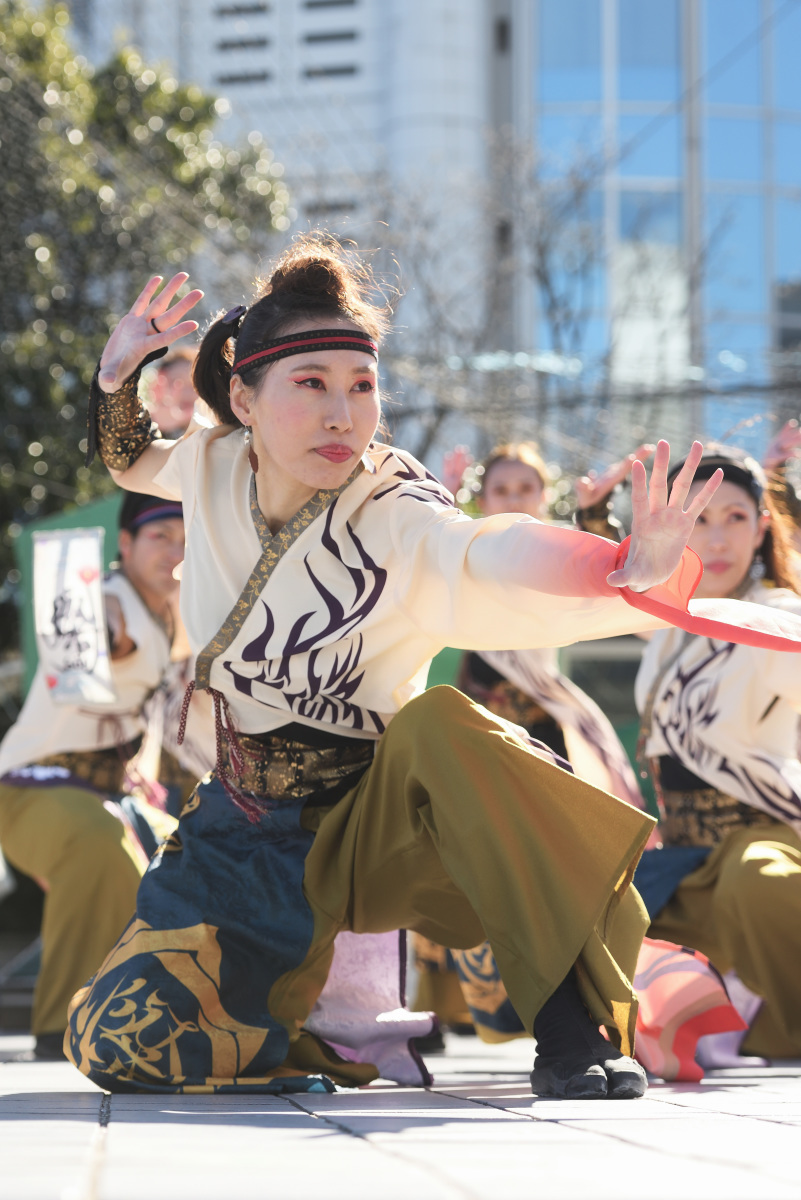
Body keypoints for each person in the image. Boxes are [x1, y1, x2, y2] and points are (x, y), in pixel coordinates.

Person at [64, 235, 796, 1100]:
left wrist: (619, 568)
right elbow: (131, 457)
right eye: (312, 385)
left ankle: (569, 1029)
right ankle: (294, 1025)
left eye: (362, 387)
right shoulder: (214, 461)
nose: (344, 415)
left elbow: (483, 553)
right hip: (240, 824)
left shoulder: (392, 498)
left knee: (442, 722)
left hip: (383, 824)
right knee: (118, 1046)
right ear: (243, 399)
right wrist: (115, 379)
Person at [415, 441, 652, 1038]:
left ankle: (572, 993)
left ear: (544, 497)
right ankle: (452, 1006)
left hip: (546, 733)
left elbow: (607, 571)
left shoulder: (553, 555)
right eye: (502, 490)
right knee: (457, 851)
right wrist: (440, 501)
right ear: (482, 498)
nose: (515, 499)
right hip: (480, 725)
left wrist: (596, 518)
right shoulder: (469, 549)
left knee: (558, 864)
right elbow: (427, 555)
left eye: (526, 489)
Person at [0, 492, 184, 1058]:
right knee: (100, 846)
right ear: (124, 545)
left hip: (112, 794)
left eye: (184, 538)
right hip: (32, 787)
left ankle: (175, 1021)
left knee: (195, 855)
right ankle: (67, 1023)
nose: (173, 551)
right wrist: (102, 632)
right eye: (158, 537)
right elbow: (105, 625)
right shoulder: (111, 597)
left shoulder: (179, 615)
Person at [635, 445, 801, 1059]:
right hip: (683, 861)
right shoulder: (669, 621)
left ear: (762, 527)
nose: (719, 537)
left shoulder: (777, 619)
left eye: (734, 517)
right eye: (699, 520)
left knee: (759, 879)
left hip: (761, 838)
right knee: (592, 910)